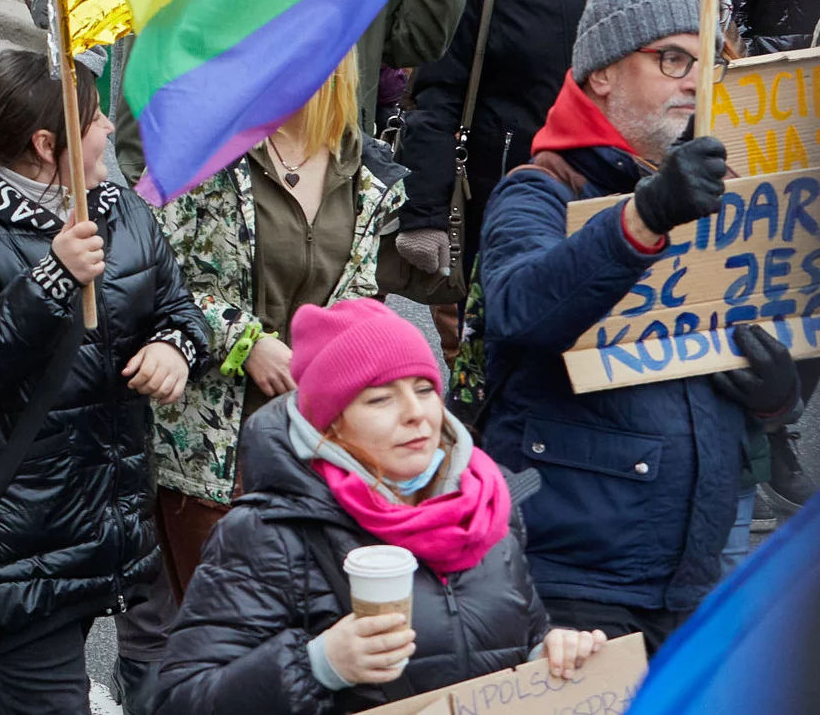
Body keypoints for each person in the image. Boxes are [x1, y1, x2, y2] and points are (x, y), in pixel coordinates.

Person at [476, 0, 792, 649]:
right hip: (571, 584)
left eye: (711, 58)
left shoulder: (736, 203)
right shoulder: (542, 191)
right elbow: (520, 310)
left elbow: (774, 326)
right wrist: (644, 216)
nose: (695, 80)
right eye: (670, 57)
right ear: (602, 76)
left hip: (698, 577)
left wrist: (779, 392)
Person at [0, 48, 206, 709]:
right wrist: (53, 276)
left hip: (95, 525)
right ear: (48, 144)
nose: (108, 128)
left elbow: (181, 309)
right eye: (96, 117)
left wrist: (175, 348)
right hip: (12, 541)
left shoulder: (120, 209)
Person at [151, 298, 607, 715]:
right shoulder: (267, 534)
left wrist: (547, 653)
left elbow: (518, 640)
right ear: (329, 427)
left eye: (424, 389)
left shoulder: (486, 505)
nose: (415, 413)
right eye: (380, 398)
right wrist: (319, 664)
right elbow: (181, 699)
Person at [146, 59, 412, 597]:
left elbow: (358, 303)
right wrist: (247, 343)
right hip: (209, 447)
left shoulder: (367, 173)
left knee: (298, 628)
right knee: (219, 631)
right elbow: (149, 273)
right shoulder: (205, 151)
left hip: (311, 446)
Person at [395, 0, 647, 325]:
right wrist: (427, 212)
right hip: (503, 207)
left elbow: (704, 36)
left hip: (617, 200)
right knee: (504, 344)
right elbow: (441, 86)